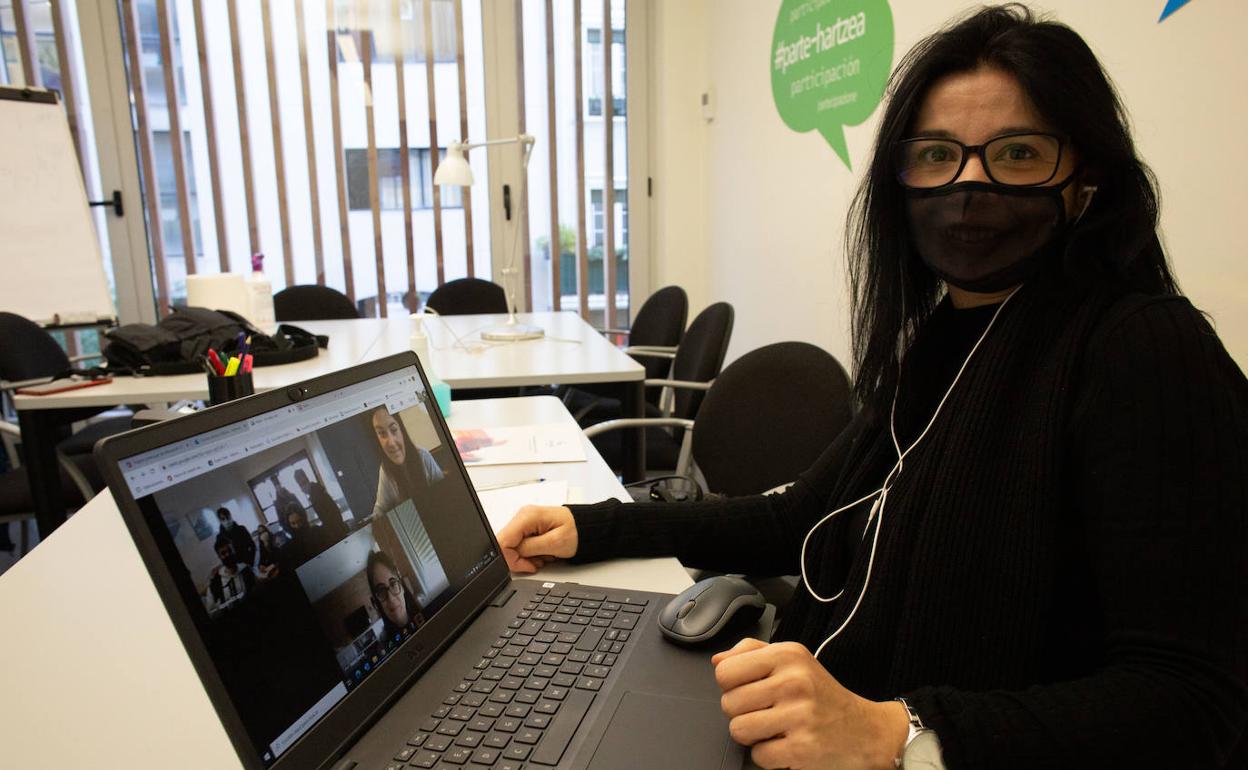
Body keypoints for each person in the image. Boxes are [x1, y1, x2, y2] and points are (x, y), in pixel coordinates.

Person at [497, 6, 1247, 770]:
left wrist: (905, 735)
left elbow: (1195, 700)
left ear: (1086, 180)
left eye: (1017, 153)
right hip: (788, 731)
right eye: (936, 155)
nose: (970, 183)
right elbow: (799, 517)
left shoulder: (1144, 349)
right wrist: (595, 528)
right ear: (900, 181)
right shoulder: (936, 342)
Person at [369, 406, 444, 518]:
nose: (391, 443)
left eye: (394, 430)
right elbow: (379, 510)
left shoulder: (423, 456)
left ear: (402, 430)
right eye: (382, 433)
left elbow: (445, 491)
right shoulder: (385, 470)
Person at [366, 549, 425, 641]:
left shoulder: (429, 611)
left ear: (402, 586)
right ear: (377, 602)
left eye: (393, 584)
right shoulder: (385, 643)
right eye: (381, 590)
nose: (391, 598)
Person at [294, 469, 348, 540]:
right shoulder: (315, 491)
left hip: (335, 528)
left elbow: (330, 513)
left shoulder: (316, 494)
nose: (302, 488)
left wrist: (329, 529)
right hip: (335, 526)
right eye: (300, 485)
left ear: (306, 479)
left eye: (302, 483)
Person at [204, 540, 255, 612]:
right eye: (223, 553)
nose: (228, 555)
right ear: (219, 557)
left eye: (230, 550)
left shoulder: (245, 570)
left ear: (234, 550)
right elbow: (210, 611)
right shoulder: (215, 582)